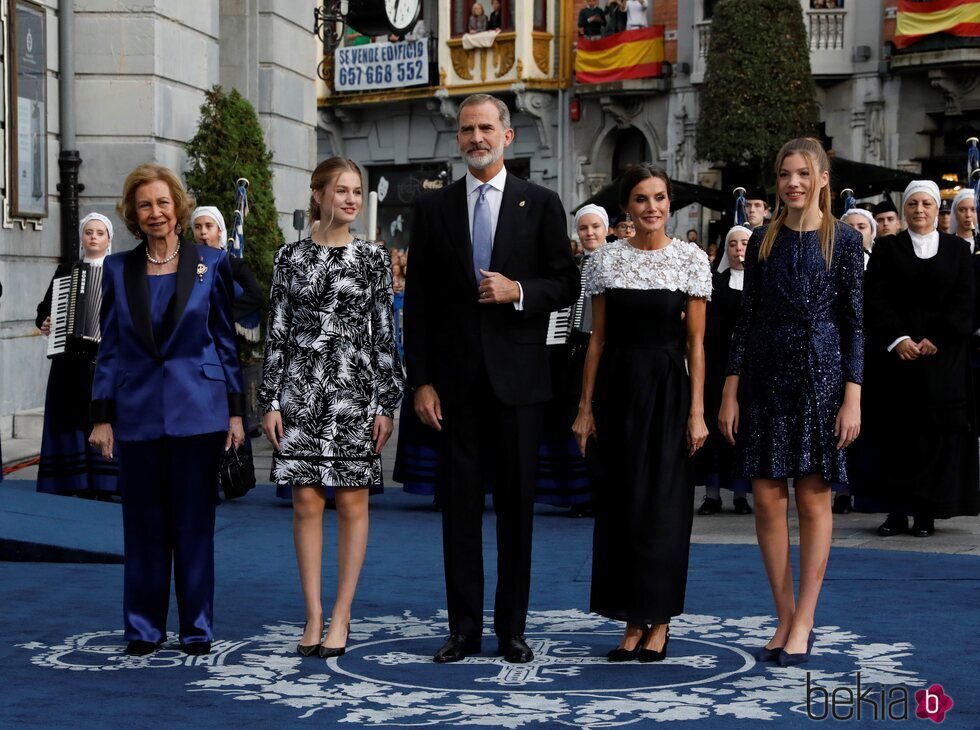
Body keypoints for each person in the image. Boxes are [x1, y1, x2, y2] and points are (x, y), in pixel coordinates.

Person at [403, 93, 579, 665]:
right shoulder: (433, 209)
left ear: (508, 136)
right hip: (453, 389)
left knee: (516, 511)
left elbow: (566, 284)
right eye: (466, 129)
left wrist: (518, 292)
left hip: (520, 385)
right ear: (459, 139)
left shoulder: (542, 203)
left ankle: (512, 629)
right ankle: (462, 630)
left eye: (485, 128)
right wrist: (422, 382)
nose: (475, 137)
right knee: (457, 513)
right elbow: (420, 305)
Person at [89, 163, 245, 657]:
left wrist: (237, 413)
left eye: (161, 202)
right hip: (136, 413)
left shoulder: (212, 263)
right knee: (143, 524)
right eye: (143, 205)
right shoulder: (117, 269)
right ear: (133, 215)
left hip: (199, 410)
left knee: (194, 525)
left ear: (176, 206)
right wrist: (101, 415)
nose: (154, 212)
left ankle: (197, 629)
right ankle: (143, 629)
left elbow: (224, 342)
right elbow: (108, 348)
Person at [719, 138, 864, 667]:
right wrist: (730, 390)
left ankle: (805, 618)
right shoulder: (762, 239)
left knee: (812, 498)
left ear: (823, 177)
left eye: (804, 173)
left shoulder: (844, 241)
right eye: (785, 174)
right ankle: (782, 616)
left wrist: (853, 395)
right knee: (766, 497)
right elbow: (745, 320)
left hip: (821, 377)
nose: (794, 183)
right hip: (763, 376)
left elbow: (855, 324)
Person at [259, 157, 403, 658]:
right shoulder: (289, 258)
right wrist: (270, 398)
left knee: (350, 501)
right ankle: (314, 613)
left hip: (354, 393)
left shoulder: (373, 259)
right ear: (317, 194)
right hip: (300, 389)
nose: (350, 200)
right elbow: (276, 333)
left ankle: (341, 615)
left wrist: (387, 401)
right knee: (305, 502)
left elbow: (385, 333)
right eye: (340, 190)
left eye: (357, 192)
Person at [573, 163, 711, 662]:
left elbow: (696, 343)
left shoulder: (691, 260)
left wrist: (698, 412)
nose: (652, 208)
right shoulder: (605, 262)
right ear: (626, 208)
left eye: (659, 198)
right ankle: (631, 619)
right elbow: (597, 341)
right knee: (620, 506)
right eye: (640, 200)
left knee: (665, 508)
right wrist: (585, 409)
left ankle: (661, 620)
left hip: (670, 391)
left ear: (669, 203)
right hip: (615, 391)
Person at [864, 180, 979, 538]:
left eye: (927, 205)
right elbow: (876, 298)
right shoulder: (887, 249)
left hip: (943, 361)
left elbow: (967, 299)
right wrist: (898, 338)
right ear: (904, 209)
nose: (919, 211)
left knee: (935, 438)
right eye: (913, 204)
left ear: (936, 210)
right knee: (896, 437)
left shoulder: (957, 250)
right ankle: (896, 512)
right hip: (897, 361)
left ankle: (926, 513)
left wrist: (938, 338)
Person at [35, 213, 119, 498]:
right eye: (88, 232)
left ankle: (105, 482)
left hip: (103, 358)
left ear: (109, 240)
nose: (93, 237)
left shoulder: (117, 271)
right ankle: (71, 479)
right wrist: (45, 321)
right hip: (69, 360)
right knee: (68, 415)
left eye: (99, 233)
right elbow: (44, 308)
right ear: (83, 238)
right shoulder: (65, 271)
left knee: (101, 414)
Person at [535, 204, 609, 515]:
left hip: (606, 352)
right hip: (573, 351)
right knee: (567, 418)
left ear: (605, 229)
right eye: (584, 228)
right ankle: (575, 491)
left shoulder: (615, 262)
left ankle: (599, 491)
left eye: (595, 227)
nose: (589, 233)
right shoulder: (574, 266)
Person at [696, 225, 752, 516]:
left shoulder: (763, 283)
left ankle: (741, 494)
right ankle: (712, 494)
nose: (738, 249)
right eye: (733, 245)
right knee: (716, 430)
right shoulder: (715, 284)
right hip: (718, 364)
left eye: (744, 243)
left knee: (743, 431)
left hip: (752, 369)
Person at [191, 206, 265, 329]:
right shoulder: (186, 262)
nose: (203, 232)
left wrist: (220, 314)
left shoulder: (234, 264)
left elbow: (255, 296)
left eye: (209, 226)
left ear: (219, 230)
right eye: (197, 227)